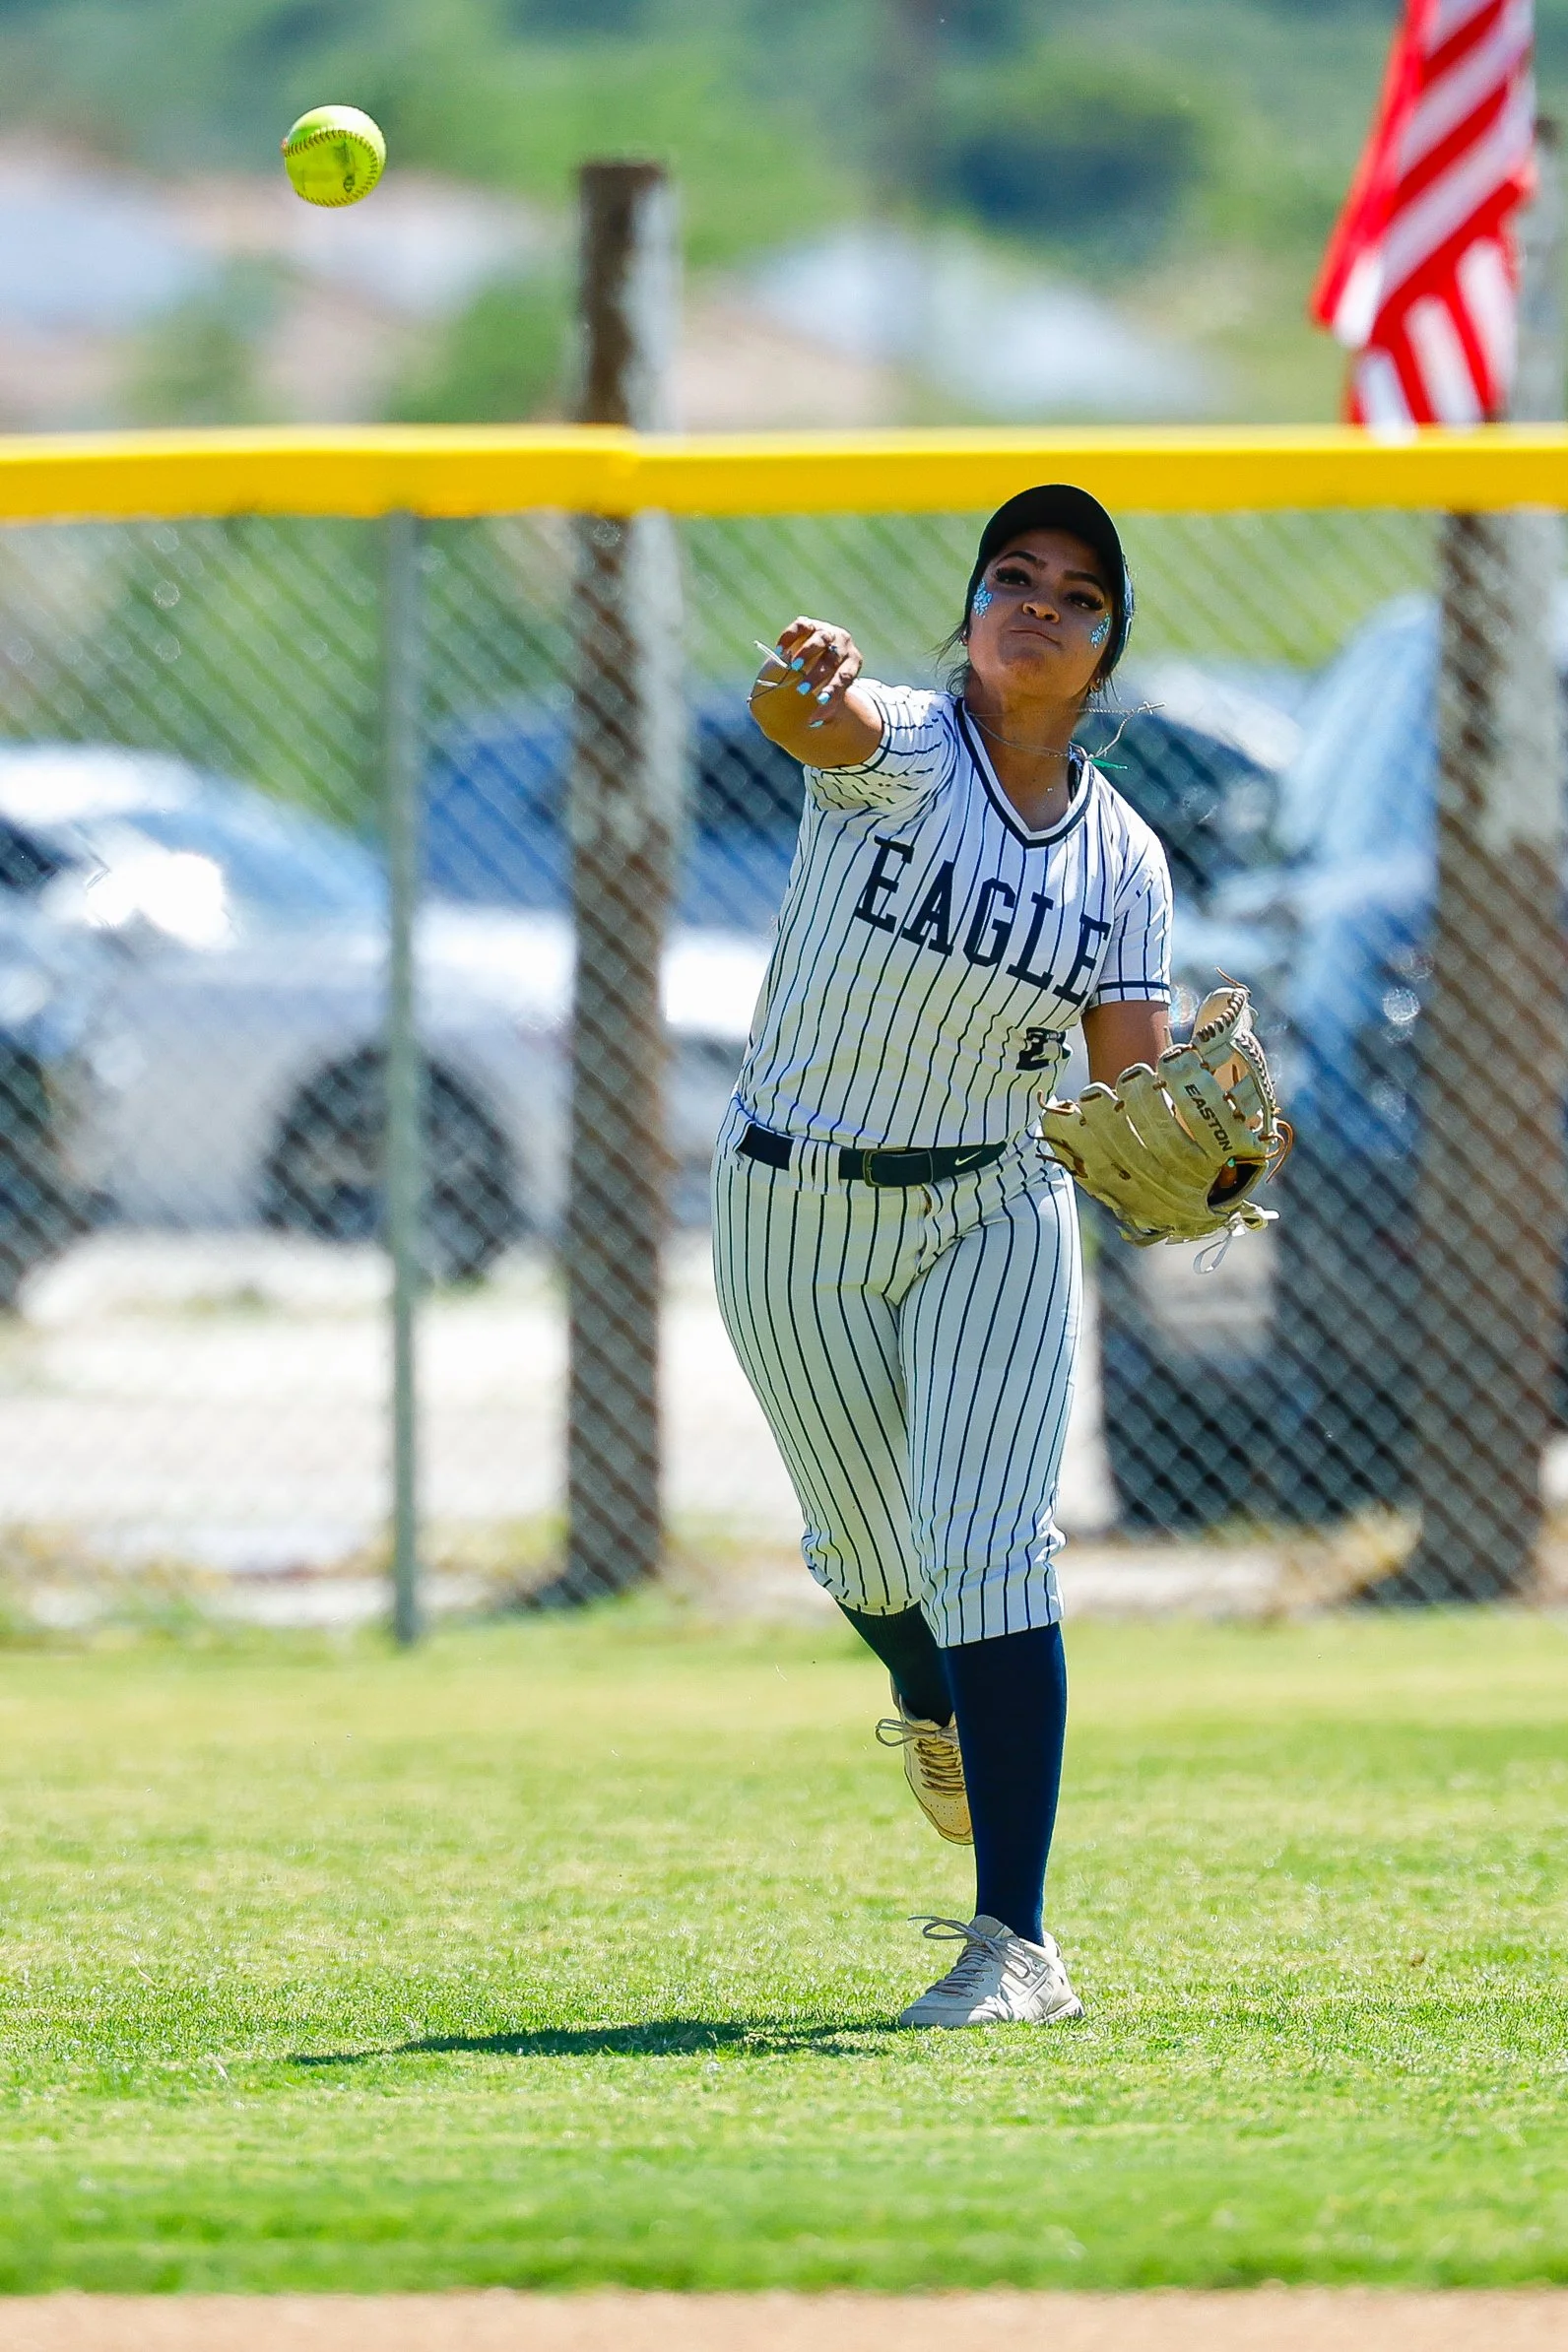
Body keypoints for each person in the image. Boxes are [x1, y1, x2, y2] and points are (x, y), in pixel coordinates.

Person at [712, 485, 1172, 2029]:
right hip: (794, 1199)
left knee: (993, 1546)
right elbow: (805, 722)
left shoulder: (1124, 861)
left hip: (993, 1201)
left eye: (1079, 594)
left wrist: (1186, 1146)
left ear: (1105, 653)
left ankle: (1015, 1947)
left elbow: (1125, 1088)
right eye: (1012, 576)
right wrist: (802, 680)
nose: (1041, 603)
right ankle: (925, 1691)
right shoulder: (906, 745)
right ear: (970, 617)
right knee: (869, 1557)